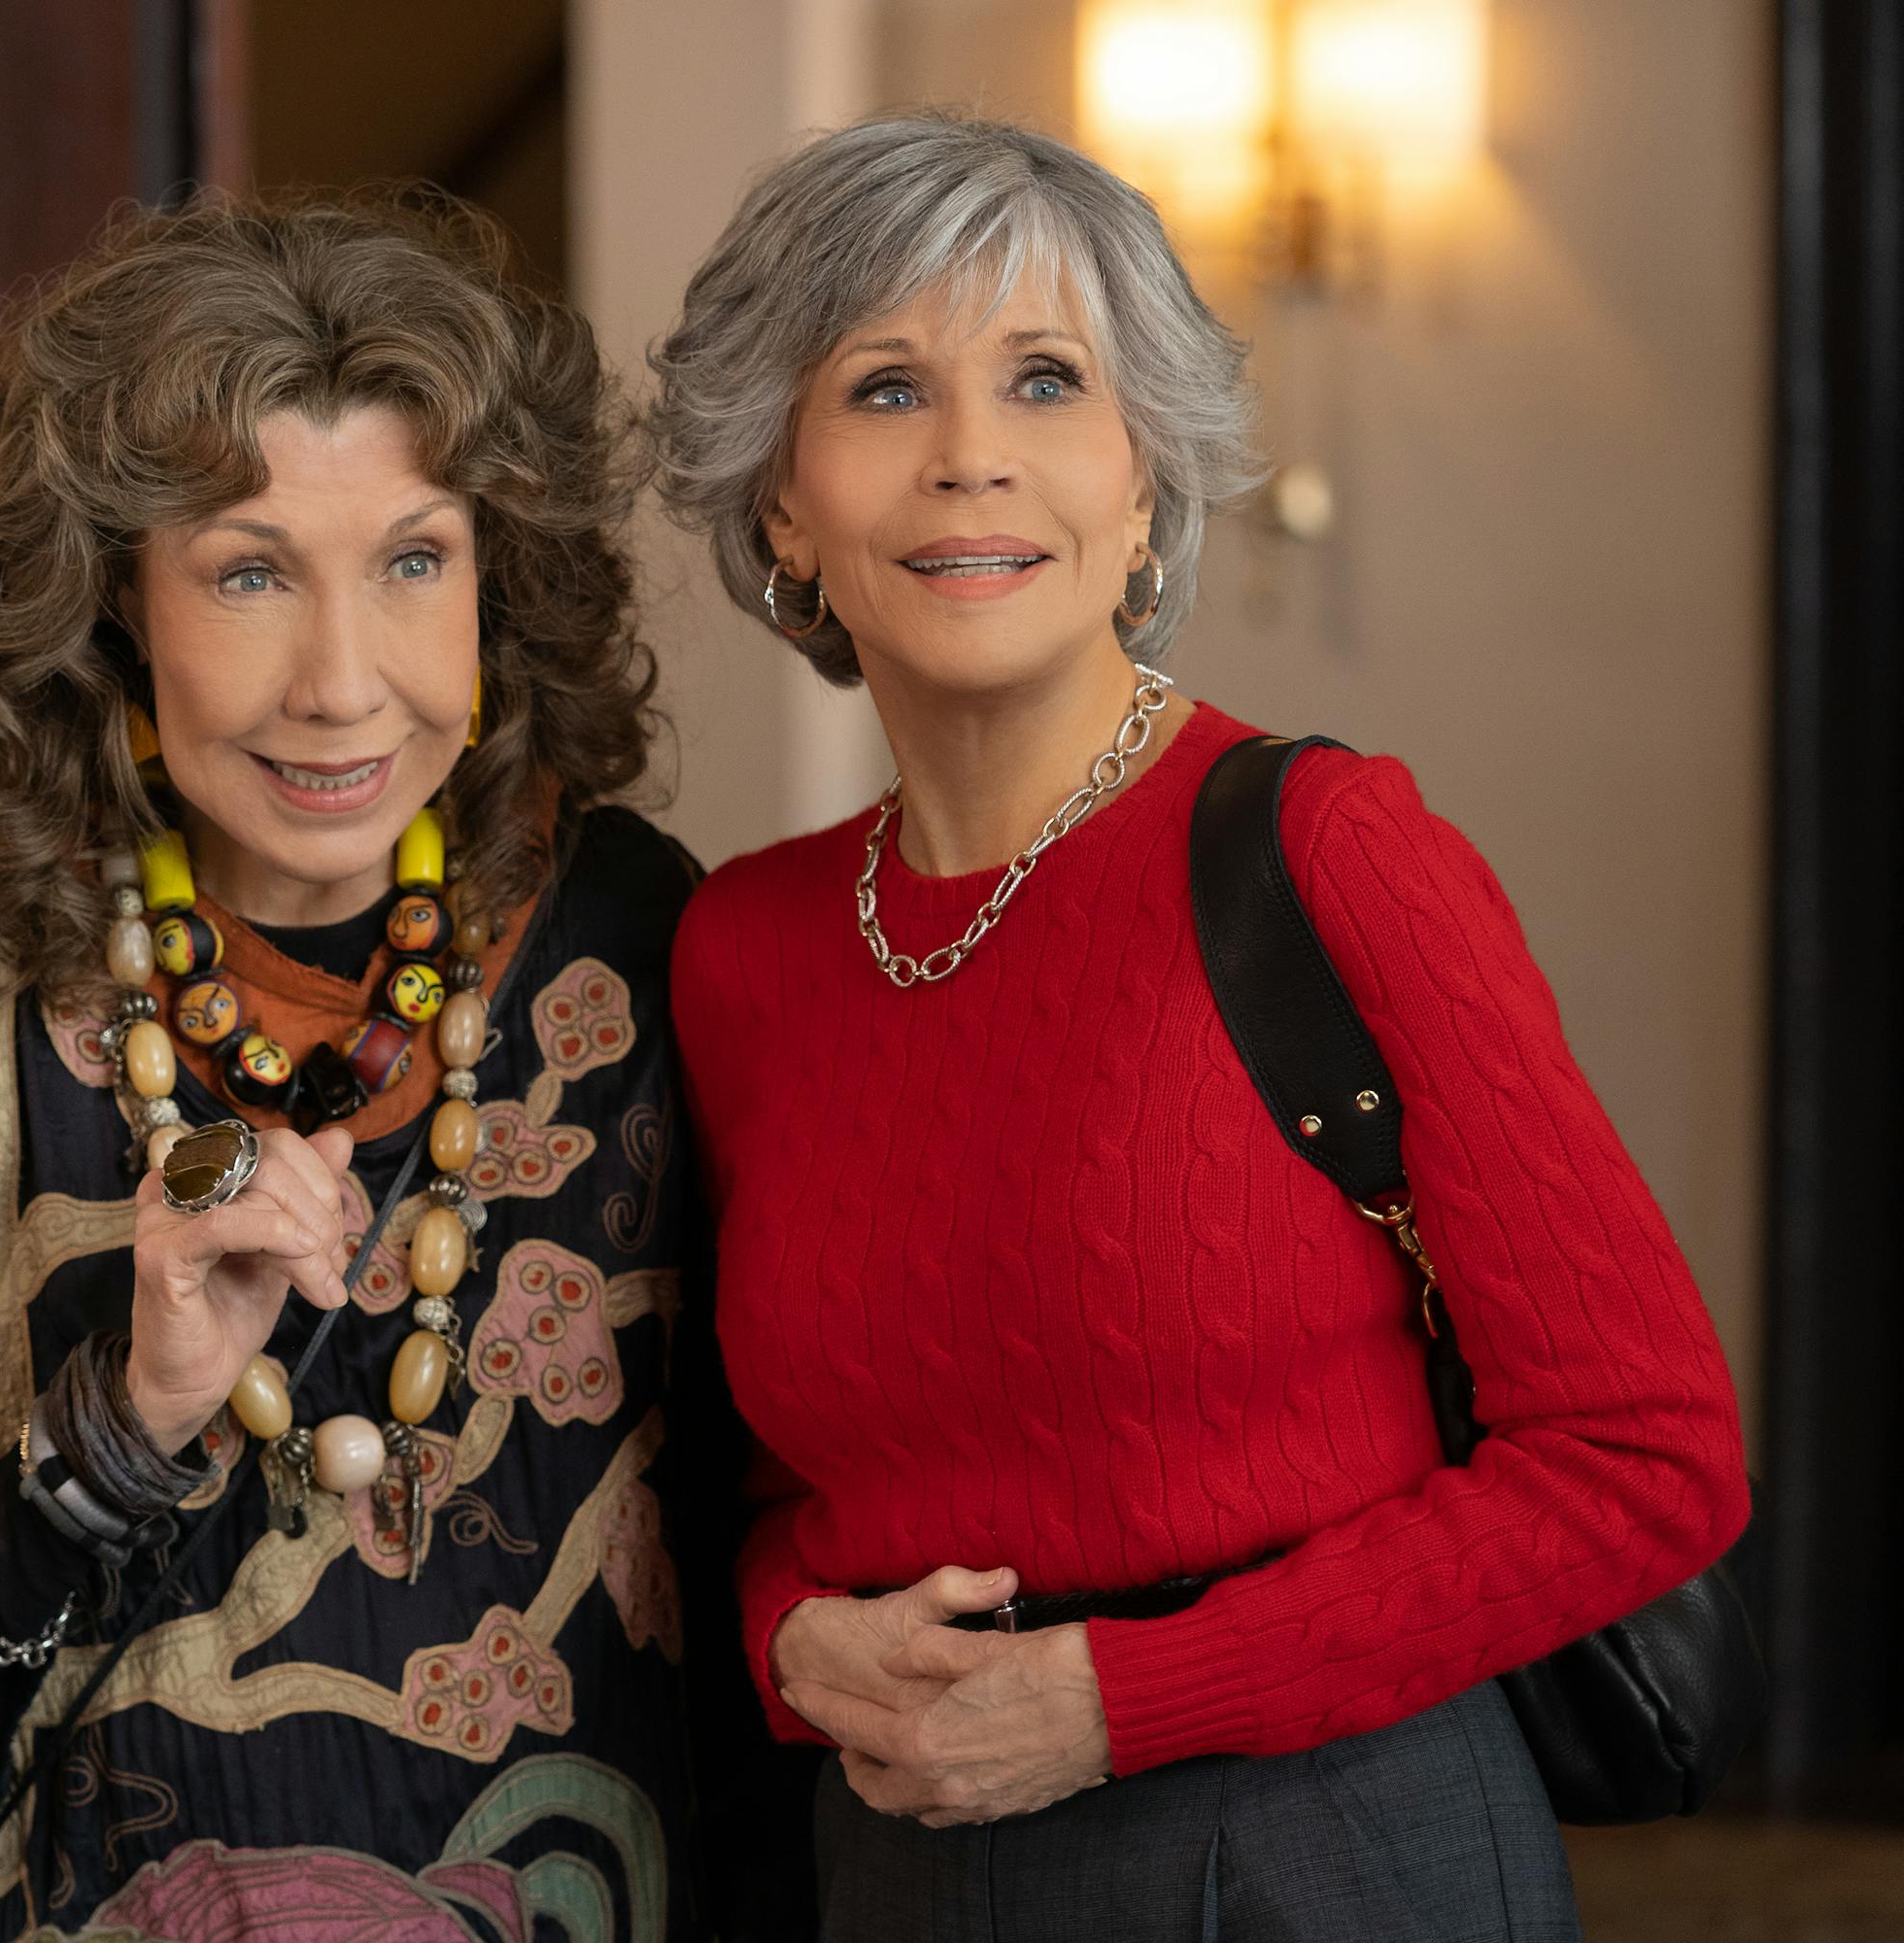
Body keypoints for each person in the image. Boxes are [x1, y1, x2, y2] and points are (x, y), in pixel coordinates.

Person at [651, 111, 1750, 1941]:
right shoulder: (742, 950)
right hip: (904, 1862)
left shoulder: (1326, 850)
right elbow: (780, 1495)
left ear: (1143, 480)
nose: (970, 460)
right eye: (882, 394)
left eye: (1044, 381)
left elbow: (1643, 1458)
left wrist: (1112, 1702)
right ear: (779, 503)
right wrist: (796, 1643)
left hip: (1327, 1847)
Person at [0, 193, 713, 1941]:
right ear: (110, 610)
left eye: (413, 560)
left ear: (498, 580)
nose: (342, 681)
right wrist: (120, 1425)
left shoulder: (637, 941)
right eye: (244, 572)